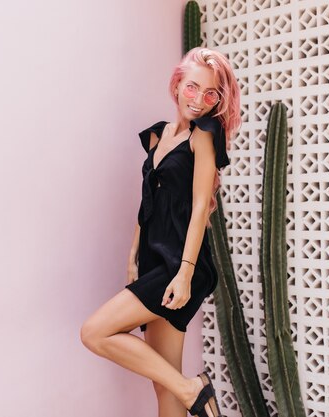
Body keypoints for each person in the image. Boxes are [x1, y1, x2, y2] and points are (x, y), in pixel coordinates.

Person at [80, 46, 241, 417]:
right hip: (154, 260)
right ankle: (190, 391)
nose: (199, 100)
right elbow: (147, 204)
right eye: (192, 88)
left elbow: (201, 205)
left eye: (210, 93)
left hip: (180, 263)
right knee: (164, 386)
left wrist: (184, 274)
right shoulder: (158, 136)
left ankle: (193, 389)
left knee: (95, 332)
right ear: (177, 85)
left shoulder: (205, 133)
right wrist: (133, 257)